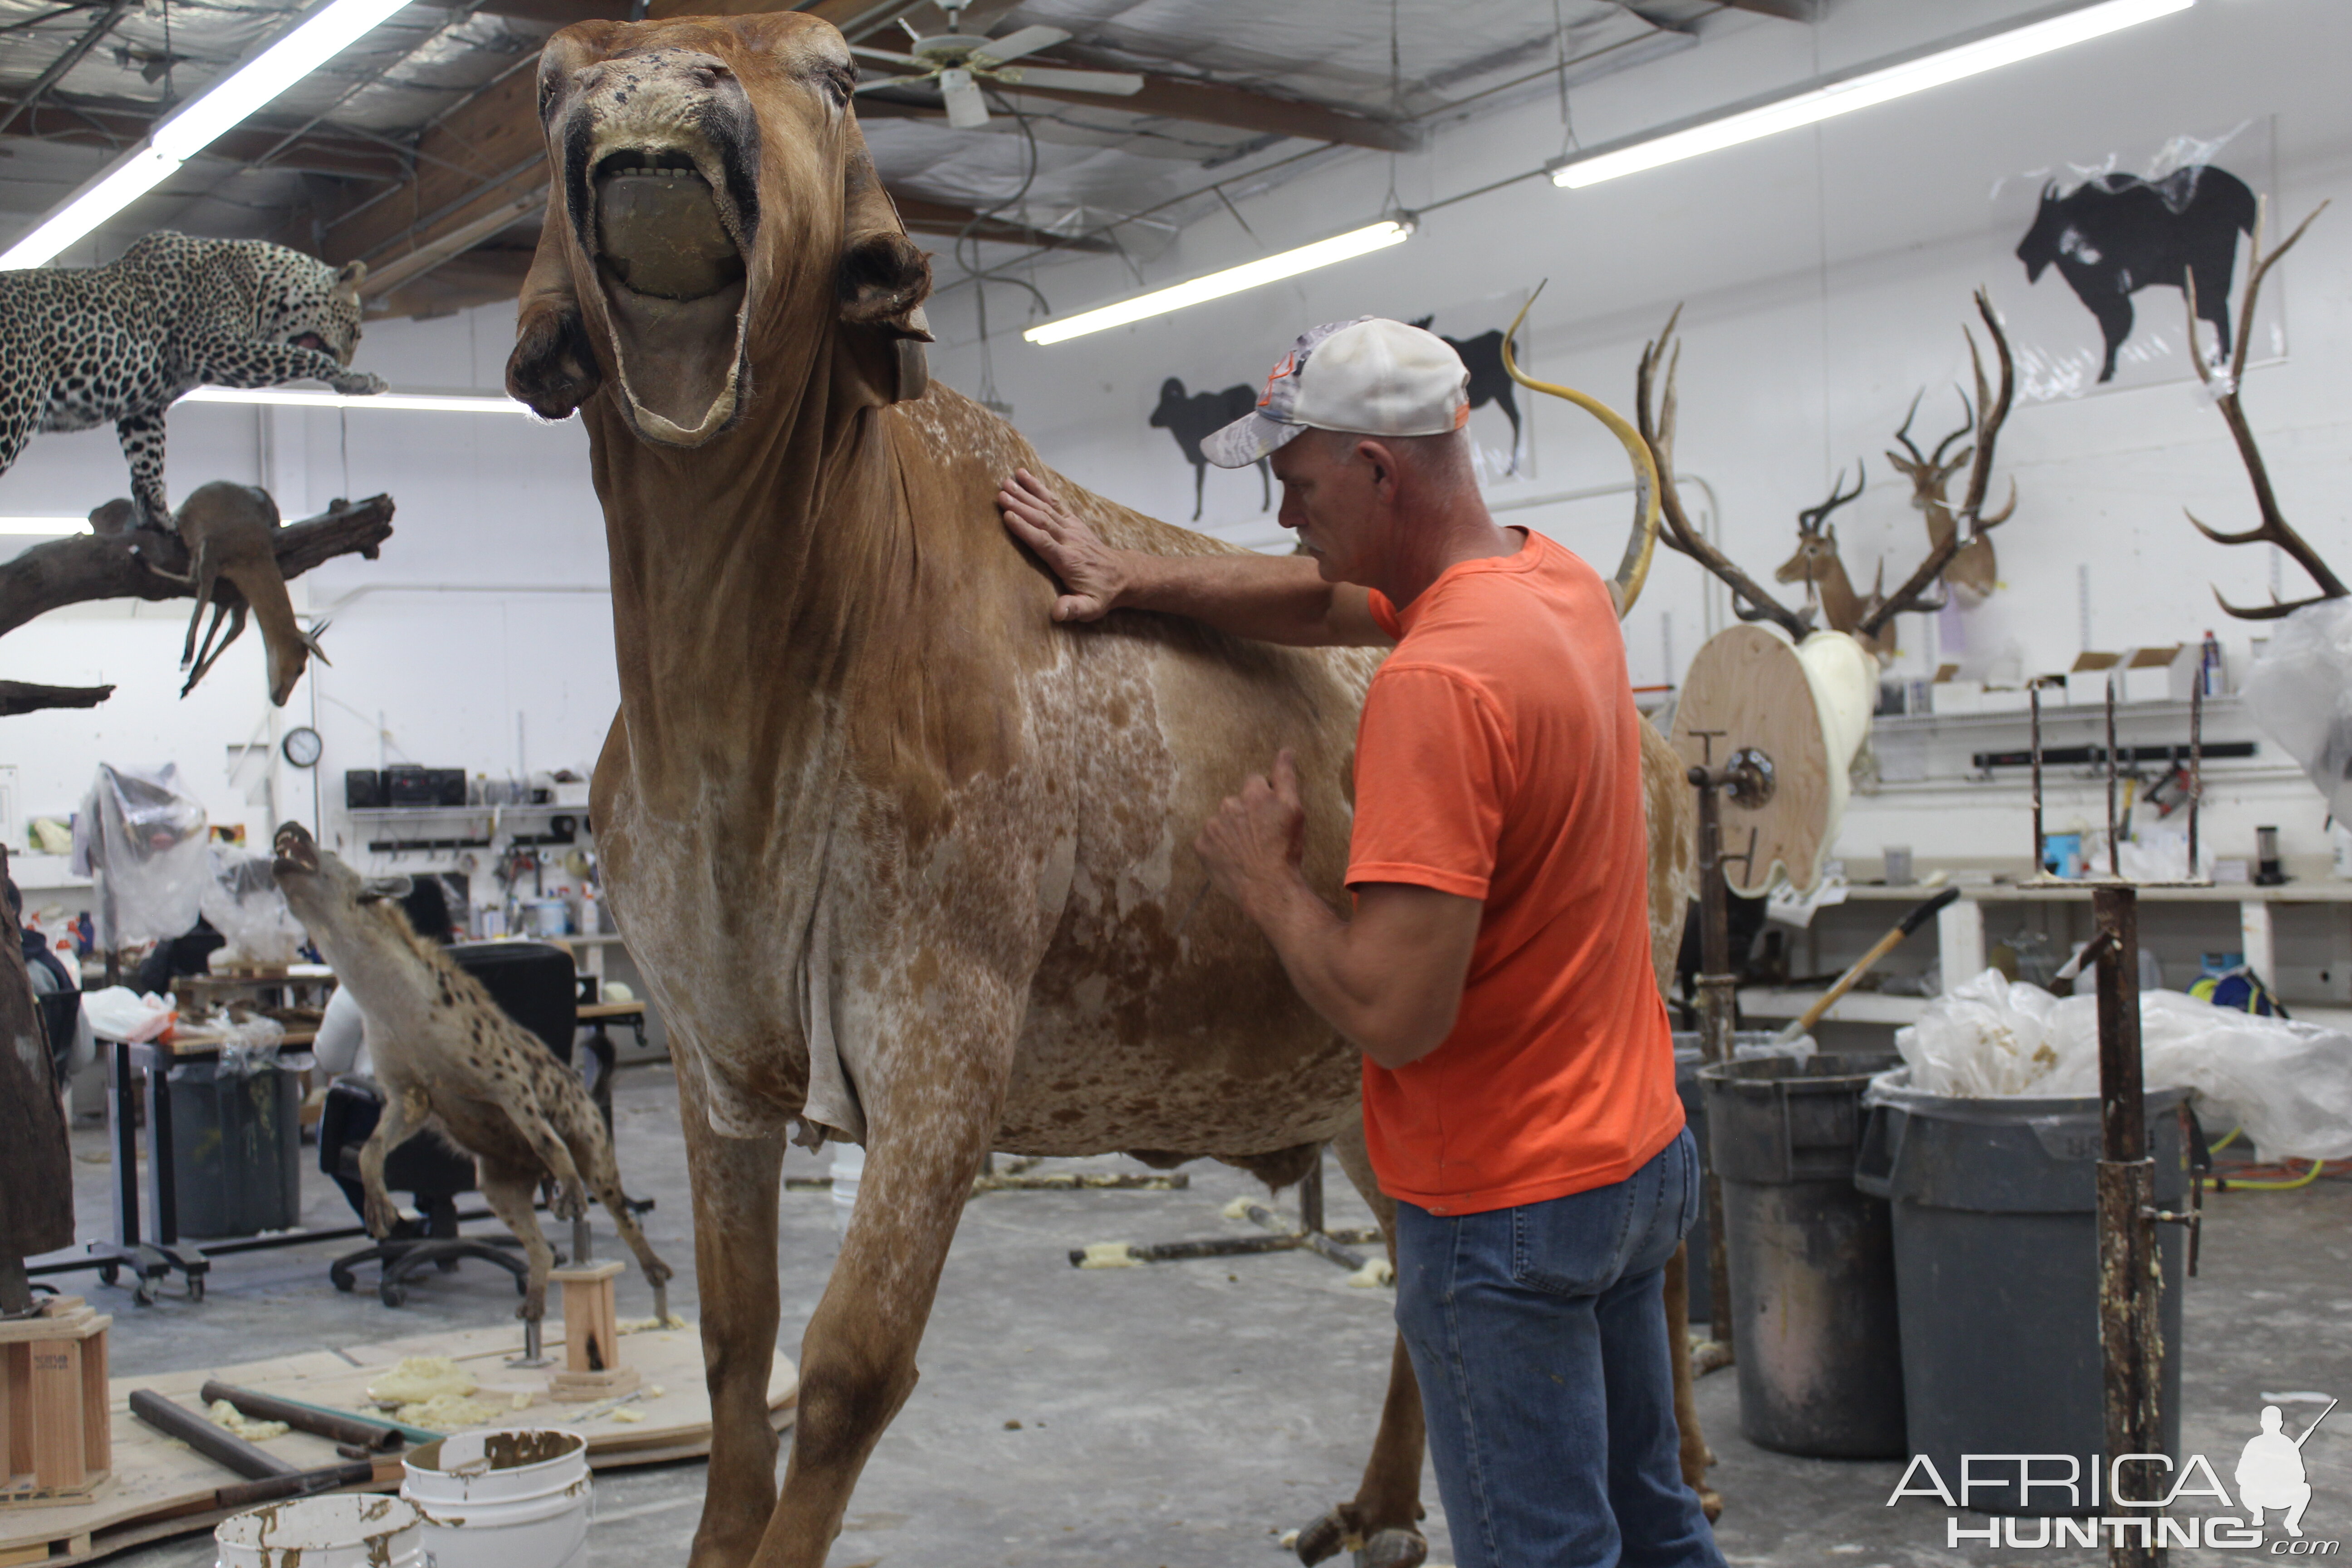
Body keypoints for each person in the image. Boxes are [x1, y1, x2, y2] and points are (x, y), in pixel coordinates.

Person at [998, 317, 1722, 1568]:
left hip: (1504, 1211)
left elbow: (1395, 1013)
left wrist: (1265, 882)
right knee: (1654, 1525)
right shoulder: (1556, 586)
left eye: (1297, 484)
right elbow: (1323, 599)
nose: (1287, 518)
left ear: (1379, 474)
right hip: (1636, 1163)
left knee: (1546, 1553)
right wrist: (1133, 574)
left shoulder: (1435, 688)